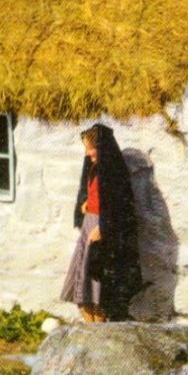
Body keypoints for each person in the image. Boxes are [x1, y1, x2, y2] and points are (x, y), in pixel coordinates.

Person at [60, 123, 143, 322]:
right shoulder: (95, 168)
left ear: (103, 148)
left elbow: (118, 205)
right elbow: (99, 194)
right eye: (86, 149)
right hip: (90, 225)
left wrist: (104, 227)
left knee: (97, 290)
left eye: (91, 148)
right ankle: (91, 333)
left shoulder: (114, 172)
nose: (87, 154)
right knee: (83, 291)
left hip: (102, 230)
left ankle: (100, 333)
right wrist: (87, 203)